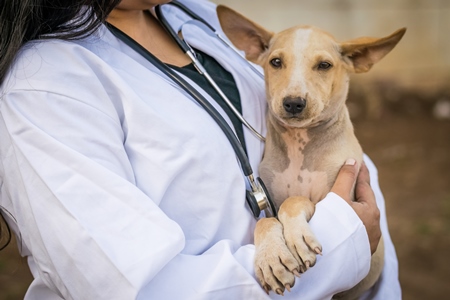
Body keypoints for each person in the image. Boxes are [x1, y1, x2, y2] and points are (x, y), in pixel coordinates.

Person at [0, 0, 400, 299]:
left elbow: (345, 164)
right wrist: (339, 242)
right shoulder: (44, 86)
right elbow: (135, 287)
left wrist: (375, 281)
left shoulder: (197, 17)